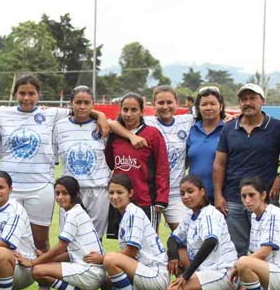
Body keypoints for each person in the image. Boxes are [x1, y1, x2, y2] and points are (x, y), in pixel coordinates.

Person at [0, 74, 109, 290]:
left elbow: (81, 109)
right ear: (15, 95)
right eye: (22, 93)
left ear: (38, 95)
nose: (26, 98)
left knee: (39, 241)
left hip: (40, 187)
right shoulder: (1, 114)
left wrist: (100, 114)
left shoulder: (52, 114)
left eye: (31, 93)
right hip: (9, 189)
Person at [212, 83, 280, 257]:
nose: (248, 102)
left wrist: (279, 177)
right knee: (235, 249)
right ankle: (239, 285)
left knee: (267, 250)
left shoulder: (277, 127)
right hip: (234, 200)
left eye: (253, 98)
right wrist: (218, 195)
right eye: (244, 99)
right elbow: (219, 164)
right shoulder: (229, 128)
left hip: (264, 199)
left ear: (262, 101)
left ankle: (264, 285)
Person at [110, 85, 194, 231]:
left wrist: (232, 117)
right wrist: (131, 136)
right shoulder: (146, 122)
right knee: (132, 240)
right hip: (147, 194)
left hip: (174, 193)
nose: (165, 106)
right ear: (153, 105)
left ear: (177, 102)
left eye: (169, 102)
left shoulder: (187, 121)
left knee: (184, 238)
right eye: (161, 103)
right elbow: (112, 123)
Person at [18, 176, 106, 290]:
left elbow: (60, 248)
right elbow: (69, 254)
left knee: (37, 271)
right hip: (93, 272)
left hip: (90, 272)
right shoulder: (76, 212)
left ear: (76, 194)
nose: (60, 197)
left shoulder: (74, 214)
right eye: (57, 193)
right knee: (43, 266)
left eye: (64, 193)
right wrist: (43, 259)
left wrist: (33, 262)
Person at [90, 174, 169, 290]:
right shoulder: (125, 213)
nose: (115, 197)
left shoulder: (134, 213)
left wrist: (102, 259)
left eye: (120, 192)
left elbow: (132, 252)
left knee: (110, 259)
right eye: (111, 192)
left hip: (155, 274)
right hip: (146, 271)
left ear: (131, 193)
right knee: (107, 284)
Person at [165, 175, 238, 290]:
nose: (186, 196)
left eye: (190, 191)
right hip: (205, 270)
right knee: (179, 251)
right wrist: (173, 257)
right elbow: (173, 239)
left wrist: (186, 275)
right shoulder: (191, 214)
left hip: (223, 272)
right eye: (182, 193)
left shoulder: (209, 214)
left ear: (202, 192)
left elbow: (210, 242)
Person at [106, 92, 169, 232]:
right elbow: (111, 163)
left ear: (142, 111)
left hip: (146, 200)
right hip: (121, 201)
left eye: (134, 110)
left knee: (148, 245)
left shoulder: (153, 134)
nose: (129, 114)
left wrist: (161, 198)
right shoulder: (115, 135)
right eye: (125, 109)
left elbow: (162, 168)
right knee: (125, 243)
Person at [54, 85, 111, 237]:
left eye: (87, 103)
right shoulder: (59, 126)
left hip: (98, 190)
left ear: (93, 104)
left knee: (94, 238)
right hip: (70, 192)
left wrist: (101, 117)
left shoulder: (102, 126)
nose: (82, 106)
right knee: (69, 239)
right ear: (71, 103)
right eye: (78, 102)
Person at [186, 86, 226, 203]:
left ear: (221, 106)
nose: (208, 108)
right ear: (198, 108)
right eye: (204, 104)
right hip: (195, 197)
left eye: (213, 103)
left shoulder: (229, 130)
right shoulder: (191, 130)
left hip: (223, 197)